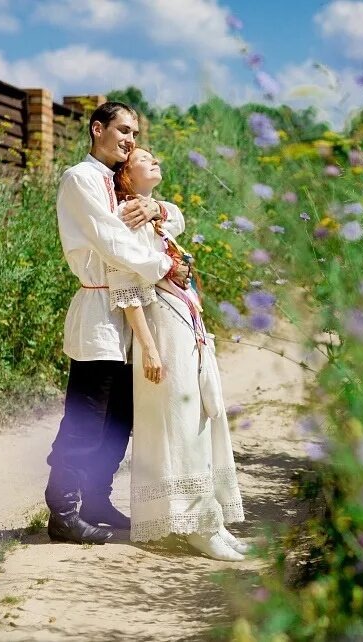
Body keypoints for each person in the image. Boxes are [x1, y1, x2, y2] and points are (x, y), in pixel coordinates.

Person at [46, 102, 191, 545]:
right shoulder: (81, 179)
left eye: (134, 133)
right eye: (124, 130)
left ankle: (96, 498)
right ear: (98, 129)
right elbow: (112, 242)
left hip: (132, 311)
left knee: (121, 418)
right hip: (99, 313)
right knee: (87, 418)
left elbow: (175, 218)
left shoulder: (116, 181)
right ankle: (63, 511)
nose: (130, 140)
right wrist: (165, 267)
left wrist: (157, 209)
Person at [109, 146, 247, 561]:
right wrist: (149, 349)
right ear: (126, 175)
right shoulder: (126, 219)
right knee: (179, 423)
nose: (156, 161)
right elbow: (127, 288)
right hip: (162, 332)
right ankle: (195, 525)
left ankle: (210, 520)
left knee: (200, 417)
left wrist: (157, 208)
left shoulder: (156, 217)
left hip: (185, 325)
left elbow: (177, 216)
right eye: (144, 159)